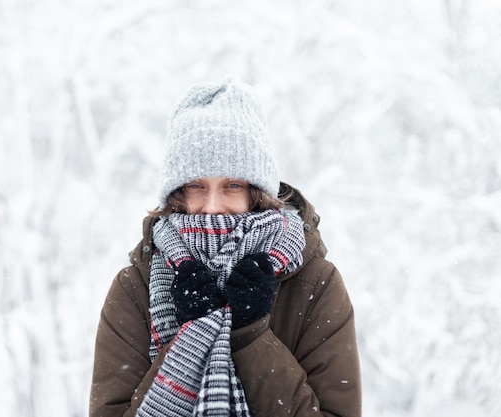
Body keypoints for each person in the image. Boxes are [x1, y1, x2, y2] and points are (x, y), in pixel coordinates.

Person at [89, 77, 362, 417]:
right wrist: (188, 338)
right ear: (177, 194)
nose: (213, 205)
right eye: (195, 186)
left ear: (257, 191)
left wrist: (251, 337)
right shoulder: (135, 289)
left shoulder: (316, 284)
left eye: (232, 185)